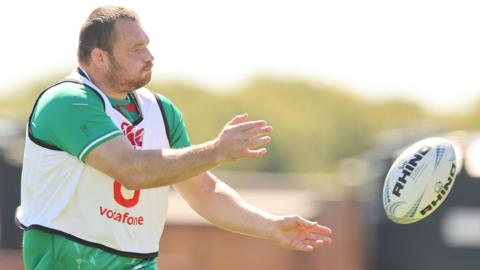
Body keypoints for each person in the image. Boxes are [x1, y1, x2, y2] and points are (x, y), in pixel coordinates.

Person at [15, 6, 333, 269]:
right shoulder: (67, 101)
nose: (149, 56)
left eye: (147, 45)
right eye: (135, 49)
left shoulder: (162, 111)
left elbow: (204, 192)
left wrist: (270, 226)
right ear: (100, 57)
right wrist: (217, 151)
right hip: (70, 260)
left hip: (137, 262)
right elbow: (131, 169)